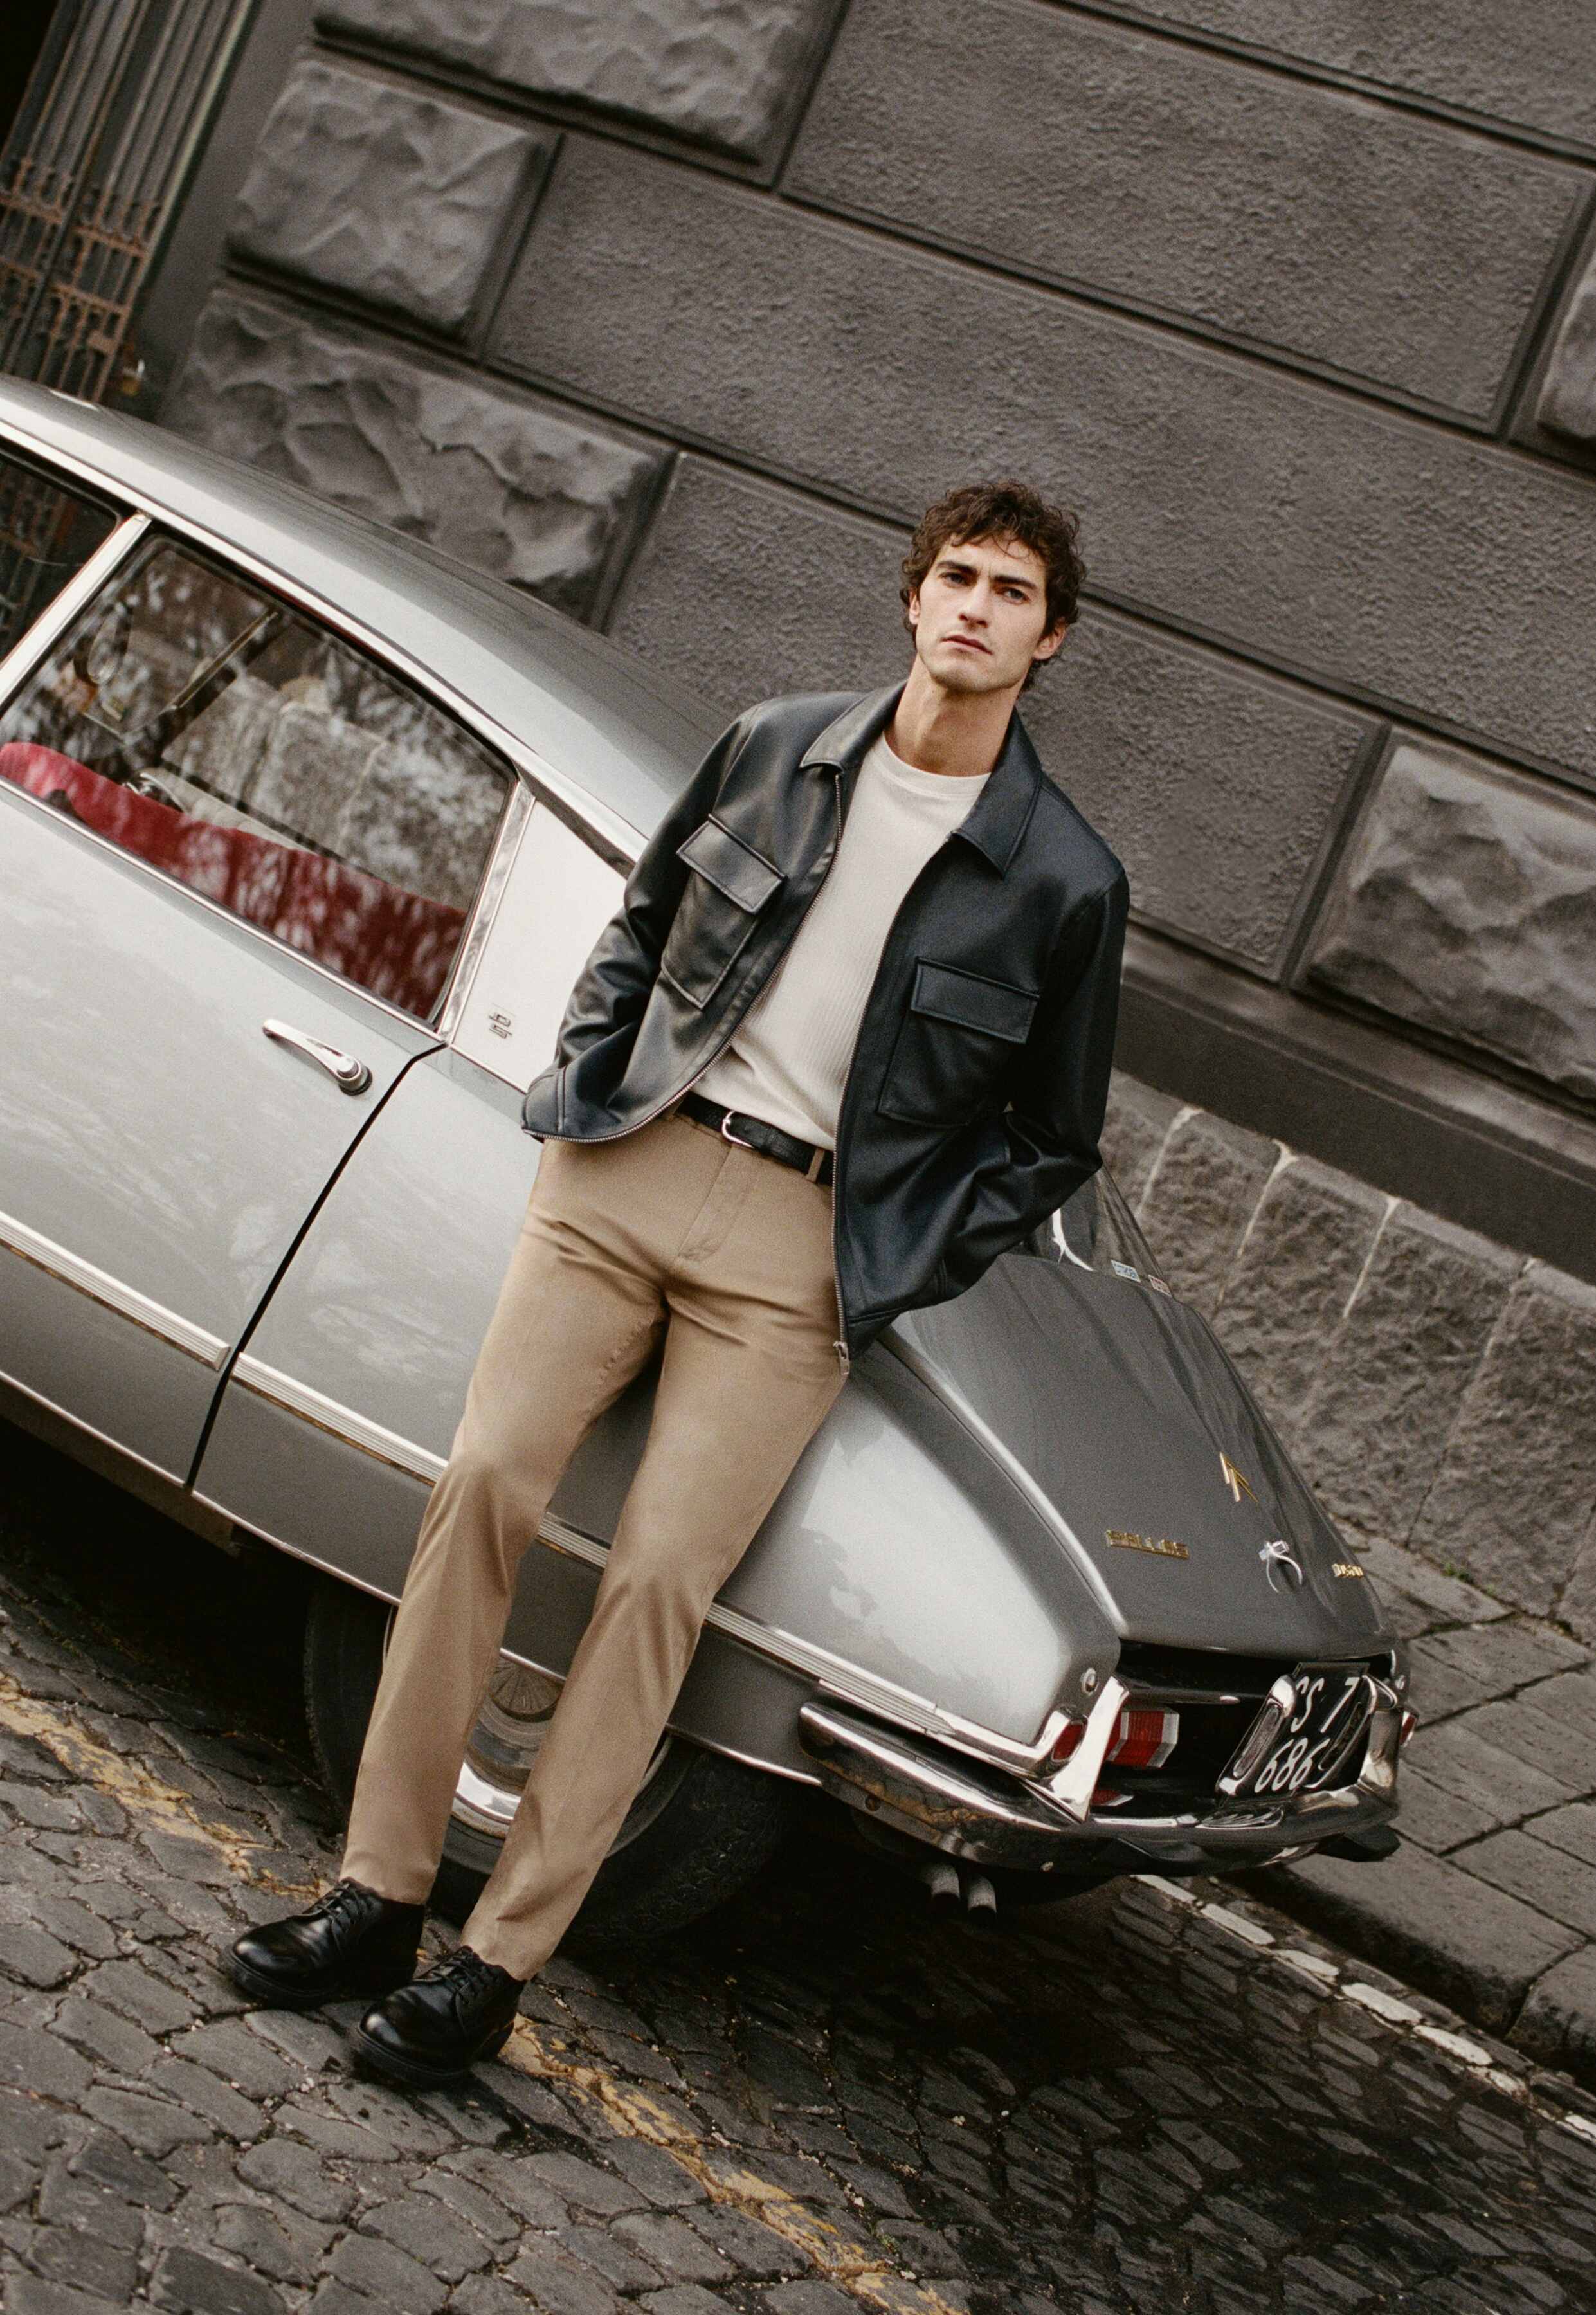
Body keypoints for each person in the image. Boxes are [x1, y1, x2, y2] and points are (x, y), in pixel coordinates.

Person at [222, 478, 1130, 2088]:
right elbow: (638, 931)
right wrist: (587, 1082)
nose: (976, 609)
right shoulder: (775, 748)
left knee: (657, 1589)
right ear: (913, 597)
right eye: (958, 577)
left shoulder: (1061, 878)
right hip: (631, 1166)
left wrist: (894, 1249)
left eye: (1012, 593)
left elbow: (1052, 1139)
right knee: (483, 1488)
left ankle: (494, 1966)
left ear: (1047, 640)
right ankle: (373, 1894)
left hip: (800, 1257)